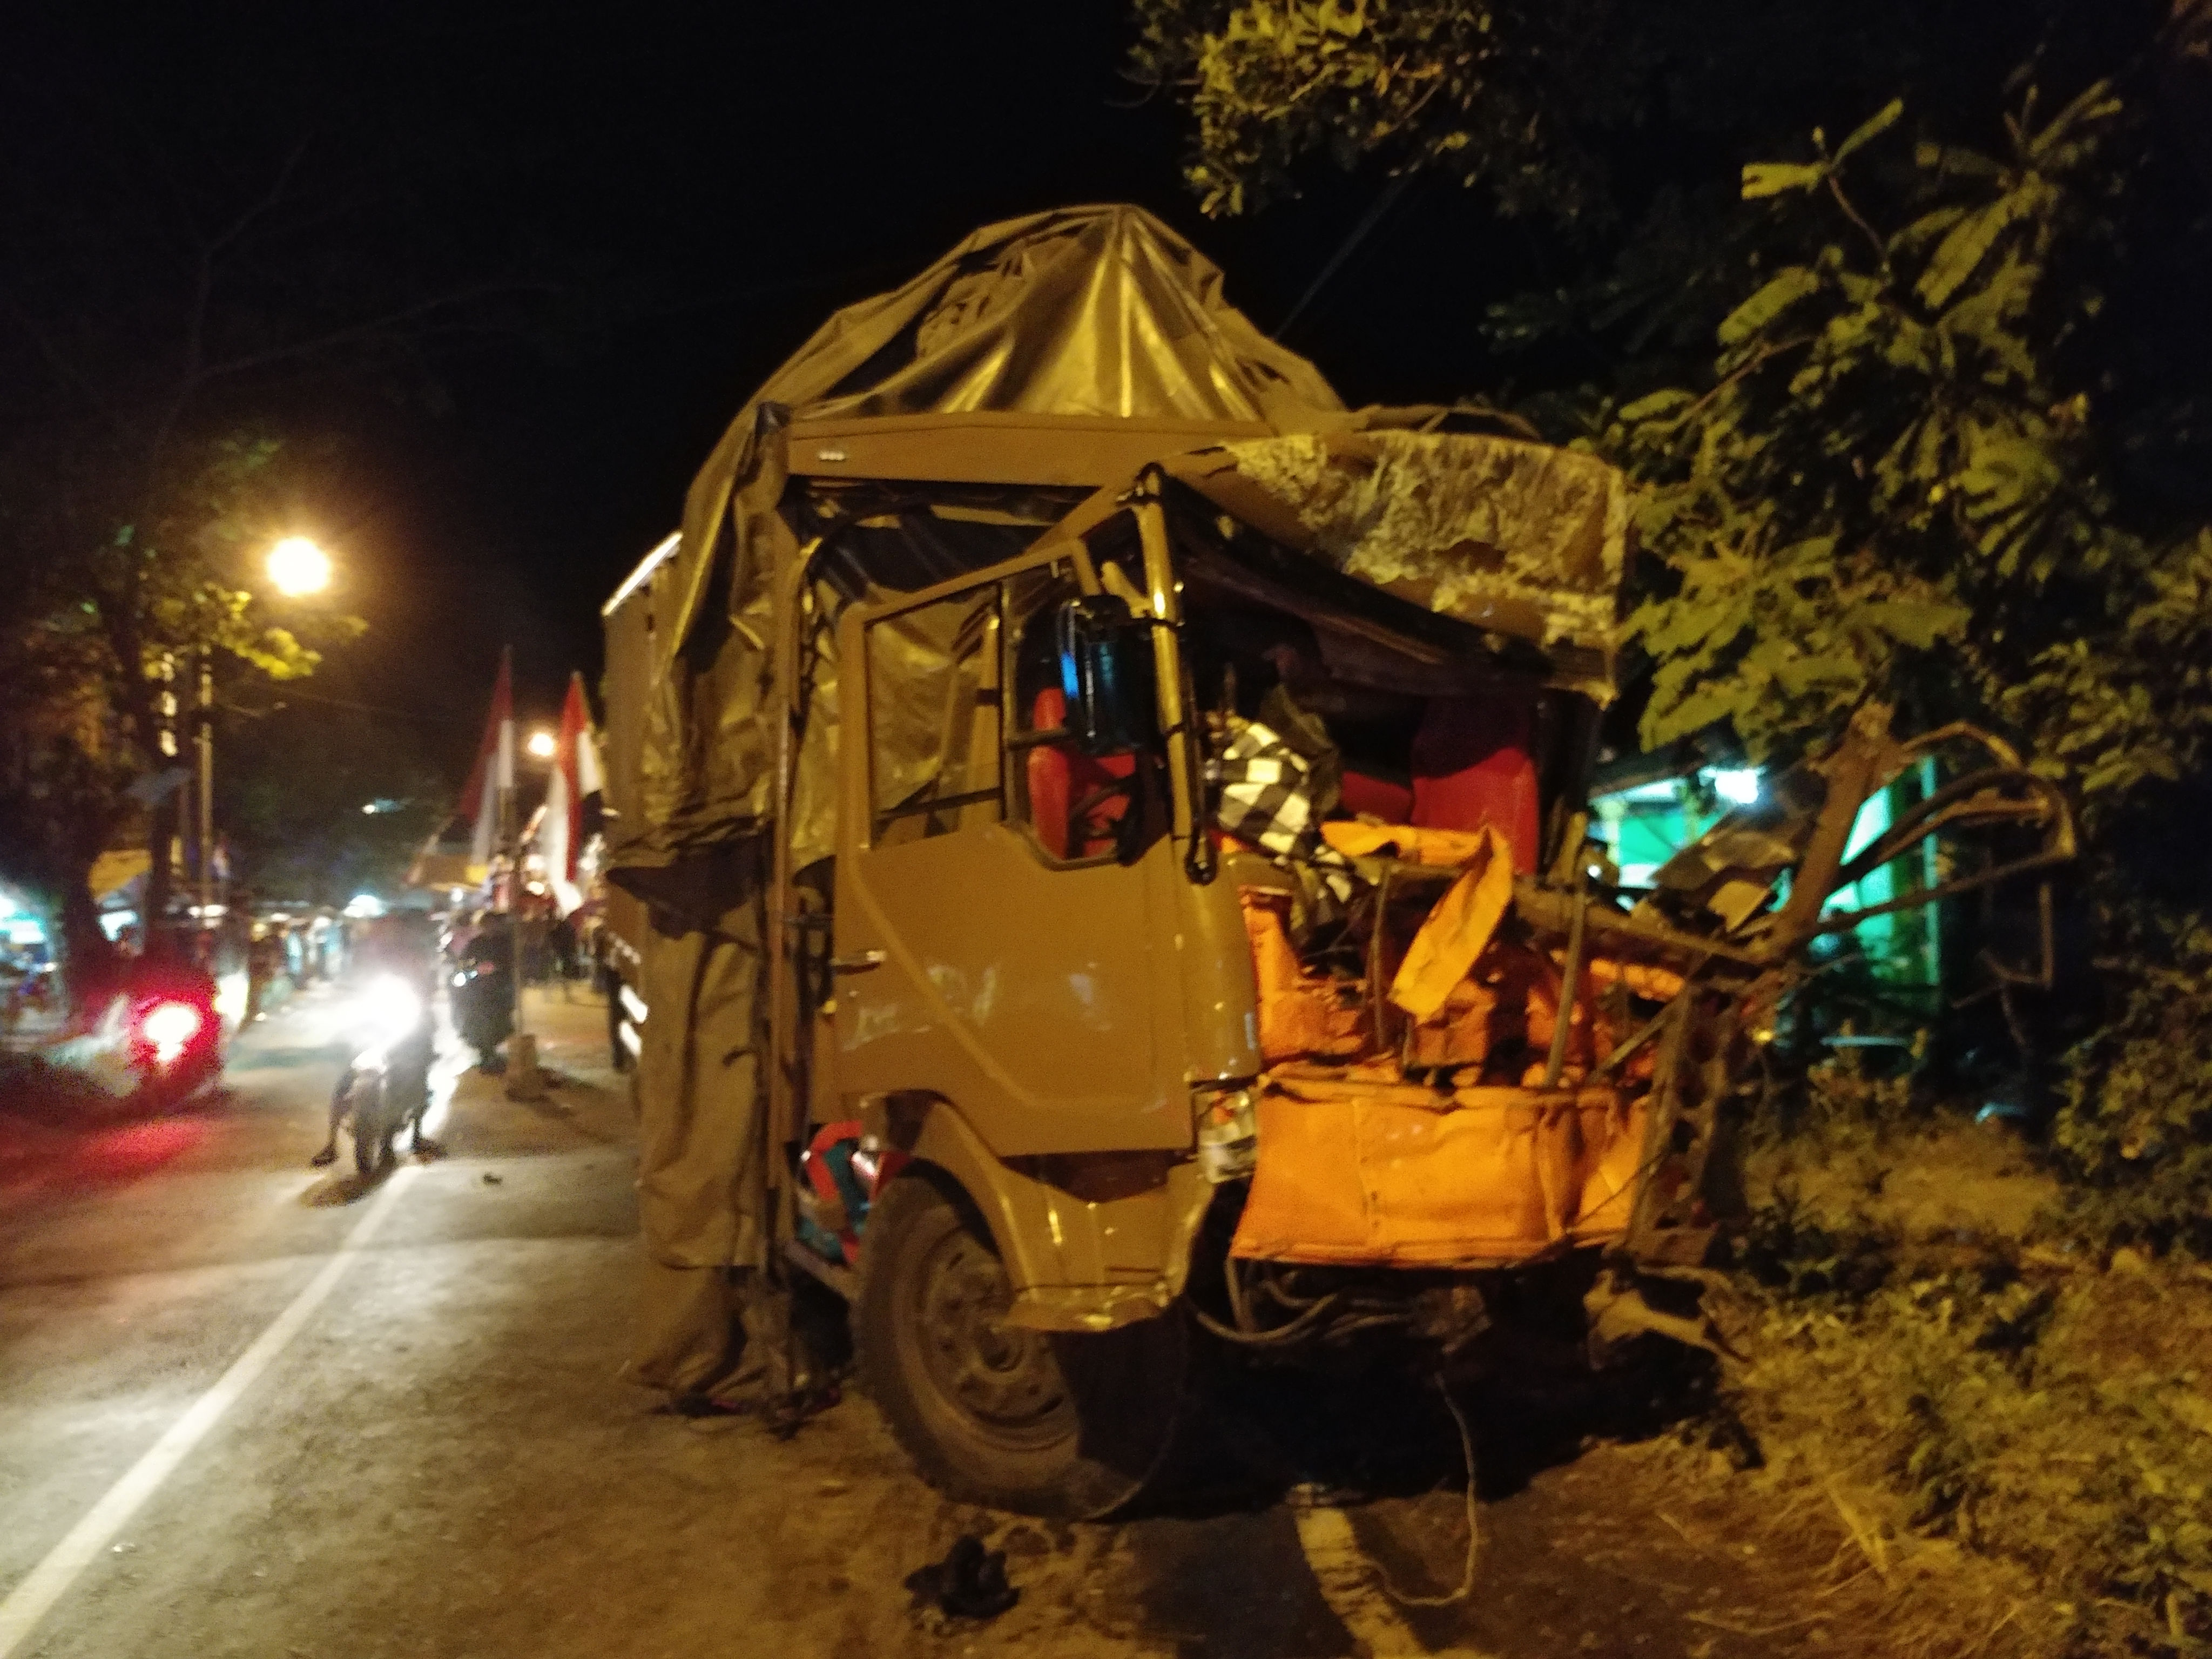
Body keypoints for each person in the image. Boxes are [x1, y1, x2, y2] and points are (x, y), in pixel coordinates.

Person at [312, 913, 442, 1166]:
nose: (387, 933)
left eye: (393, 928)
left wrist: (423, 996)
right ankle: (331, 1143)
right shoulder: (365, 953)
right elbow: (350, 981)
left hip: (407, 1015)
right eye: (383, 929)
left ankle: (417, 1135)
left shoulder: (414, 952)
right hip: (371, 1019)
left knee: (419, 1068)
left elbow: (426, 981)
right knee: (347, 1074)